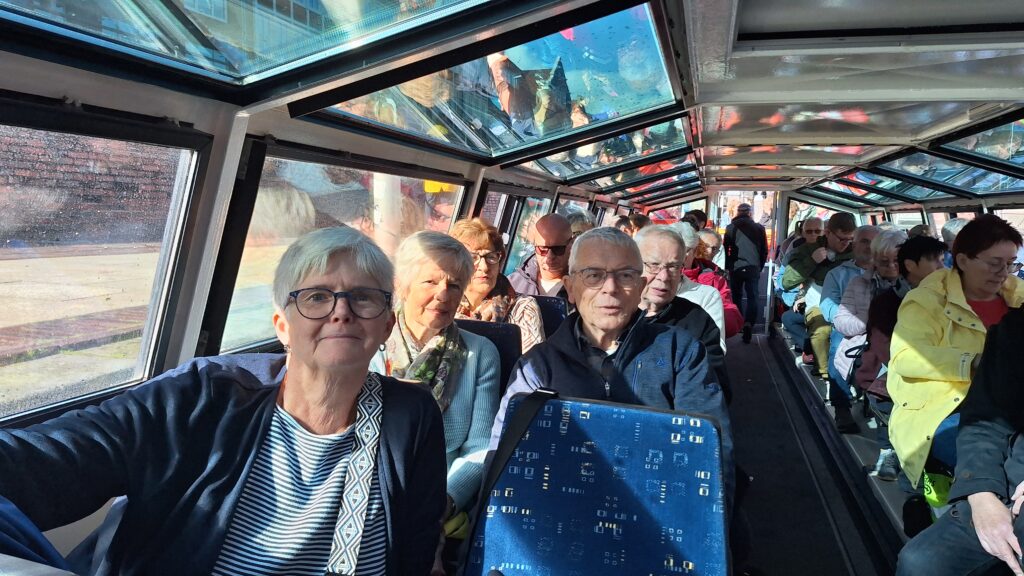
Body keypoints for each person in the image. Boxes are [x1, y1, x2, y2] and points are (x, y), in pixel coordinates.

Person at [0, 226, 447, 575]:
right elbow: (59, 454)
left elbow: (413, 550)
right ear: (282, 326)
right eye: (316, 297)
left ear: (386, 325)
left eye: (363, 298)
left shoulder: (410, 417)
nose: (341, 311)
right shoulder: (201, 396)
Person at [489, 226, 734, 499]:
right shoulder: (538, 366)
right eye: (594, 275)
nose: (610, 288)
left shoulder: (681, 353)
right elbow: (504, 457)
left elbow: (710, 455)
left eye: (625, 276)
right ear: (570, 288)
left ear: (640, 287)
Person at [370, 231, 500, 528]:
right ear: (401, 285)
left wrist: (445, 502)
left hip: (440, 500)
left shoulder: (481, 353)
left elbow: (480, 447)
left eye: (454, 285)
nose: (443, 295)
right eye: (430, 282)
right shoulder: (368, 343)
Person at [888, 214, 1024, 493]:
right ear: (962, 261)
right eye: (994, 263)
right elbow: (904, 358)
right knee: (1003, 469)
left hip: (1010, 403)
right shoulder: (926, 301)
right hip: (947, 408)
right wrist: (972, 363)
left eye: (1010, 264)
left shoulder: (1017, 295)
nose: (1003, 273)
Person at [895, 306, 1024, 576]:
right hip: (944, 407)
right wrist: (981, 492)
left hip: (965, 406)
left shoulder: (1007, 299)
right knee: (920, 562)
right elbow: (986, 418)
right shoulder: (925, 303)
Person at [855, 235, 947, 482]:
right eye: (935, 261)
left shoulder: (947, 298)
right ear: (911, 265)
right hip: (893, 369)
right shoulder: (887, 302)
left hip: (936, 370)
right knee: (891, 396)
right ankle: (891, 451)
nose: (942, 268)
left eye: (943, 260)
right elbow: (885, 348)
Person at [635, 226, 730, 401]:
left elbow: (714, 390)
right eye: (654, 265)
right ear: (633, 266)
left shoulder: (697, 320)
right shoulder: (612, 312)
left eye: (673, 267)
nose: (664, 276)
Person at [449, 218, 545, 353]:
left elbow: (530, 363)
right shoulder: (443, 304)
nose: (484, 267)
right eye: (473, 258)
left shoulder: (523, 309)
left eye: (491, 256)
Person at [782, 212, 857, 382]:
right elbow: (786, 282)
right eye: (842, 239)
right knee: (821, 330)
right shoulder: (808, 250)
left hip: (852, 304)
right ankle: (826, 375)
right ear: (828, 233)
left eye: (850, 239)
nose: (846, 244)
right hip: (819, 303)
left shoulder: (856, 252)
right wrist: (812, 260)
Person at [818, 225, 880, 431]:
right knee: (838, 347)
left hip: (881, 326)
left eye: (874, 242)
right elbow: (828, 306)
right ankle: (842, 406)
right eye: (864, 242)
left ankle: (877, 401)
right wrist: (852, 322)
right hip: (848, 327)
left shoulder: (889, 273)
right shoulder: (838, 274)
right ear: (854, 244)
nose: (869, 247)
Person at [671, 222, 728, 352]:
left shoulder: (712, 283)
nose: (709, 251)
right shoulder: (644, 285)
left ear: (695, 250)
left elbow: (717, 344)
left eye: (715, 248)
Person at [725, 203, 768, 343]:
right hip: (753, 267)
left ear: (738, 212)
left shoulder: (731, 228)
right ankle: (749, 323)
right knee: (752, 296)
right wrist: (760, 266)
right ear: (750, 213)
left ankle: (739, 323)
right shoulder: (759, 228)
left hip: (736, 267)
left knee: (736, 296)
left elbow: (726, 249)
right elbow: (764, 250)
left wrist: (728, 266)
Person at [508, 213, 573, 300]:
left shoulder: (582, 287)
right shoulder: (513, 284)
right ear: (534, 246)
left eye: (558, 249)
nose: (549, 257)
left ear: (572, 244)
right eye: (542, 249)